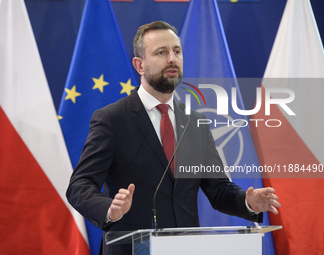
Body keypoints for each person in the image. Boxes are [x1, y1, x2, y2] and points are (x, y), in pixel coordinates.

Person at [66, 21, 281, 255]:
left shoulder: (194, 122)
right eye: (161, 52)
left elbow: (218, 189)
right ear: (139, 65)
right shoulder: (112, 119)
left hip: (187, 249)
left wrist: (248, 203)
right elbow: (79, 185)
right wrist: (110, 209)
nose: (172, 59)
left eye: (176, 51)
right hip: (131, 249)